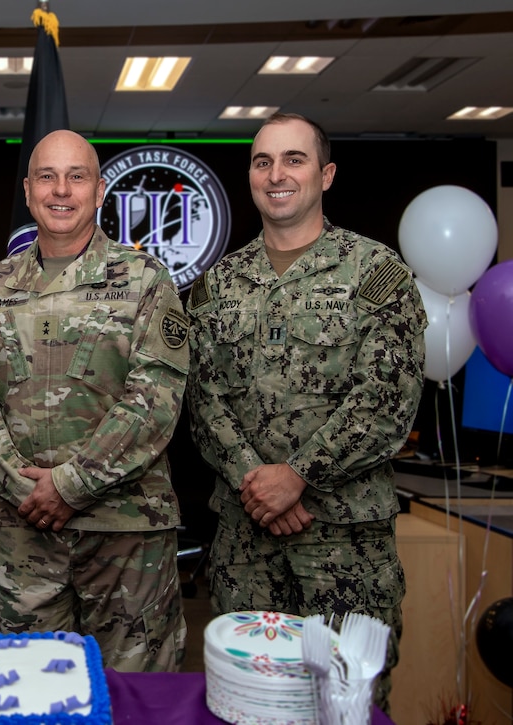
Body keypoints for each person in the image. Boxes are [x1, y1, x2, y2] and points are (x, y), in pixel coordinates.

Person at [185, 112, 427, 708]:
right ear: (250, 176)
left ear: (327, 173)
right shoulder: (218, 285)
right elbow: (202, 399)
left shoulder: (377, 274)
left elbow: (386, 402)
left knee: (346, 708)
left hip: (344, 547)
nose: (277, 174)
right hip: (246, 544)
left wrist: (296, 478)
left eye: (293, 159)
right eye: (263, 161)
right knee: (248, 704)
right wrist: (255, 481)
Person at [0, 130, 191, 672]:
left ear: (100, 190)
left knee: (136, 698)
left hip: (126, 533)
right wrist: (23, 485)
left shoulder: (145, 281)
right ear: (30, 192)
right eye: (47, 177)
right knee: (30, 691)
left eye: (76, 176)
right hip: (24, 529)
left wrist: (68, 485)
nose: (62, 190)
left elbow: (154, 400)